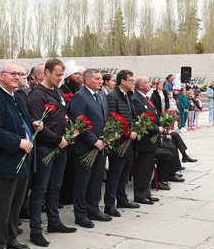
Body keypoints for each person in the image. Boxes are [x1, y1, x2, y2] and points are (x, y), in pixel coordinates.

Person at [0, 63, 39, 249]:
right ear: (1, 76)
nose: (18, 77)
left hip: (22, 158)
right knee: (2, 205)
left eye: (21, 74)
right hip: (4, 160)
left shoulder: (17, 96)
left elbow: (20, 120)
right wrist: (18, 142)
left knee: (16, 204)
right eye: (13, 74)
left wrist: (33, 124)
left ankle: (11, 238)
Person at [26, 58, 77, 247]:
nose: (60, 79)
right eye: (57, 75)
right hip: (46, 147)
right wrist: (57, 139)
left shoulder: (57, 92)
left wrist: (67, 125)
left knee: (56, 187)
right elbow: (36, 124)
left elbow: (59, 115)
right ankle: (36, 229)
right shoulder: (37, 95)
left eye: (62, 75)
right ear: (46, 72)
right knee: (40, 189)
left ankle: (54, 222)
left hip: (60, 146)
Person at [68, 69, 111, 227]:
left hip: (101, 145)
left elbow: (105, 118)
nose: (101, 81)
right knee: (82, 182)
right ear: (87, 81)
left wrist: (107, 137)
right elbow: (79, 121)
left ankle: (93, 209)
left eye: (101, 79)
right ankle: (81, 214)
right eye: (97, 79)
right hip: (86, 147)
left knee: (96, 180)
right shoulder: (80, 97)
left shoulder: (101, 95)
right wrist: (94, 141)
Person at [103, 69, 140, 218]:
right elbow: (112, 119)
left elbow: (130, 115)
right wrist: (126, 133)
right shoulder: (113, 96)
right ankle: (109, 204)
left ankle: (122, 199)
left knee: (124, 173)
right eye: (131, 80)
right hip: (119, 142)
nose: (133, 83)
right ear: (122, 81)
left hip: (129, 142)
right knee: (115, 174)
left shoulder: (127, 95)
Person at [131, 77, 164, 204]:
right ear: (140, 86)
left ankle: (146, 192)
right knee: (142, 168)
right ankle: (140, 195)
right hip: (144, 140)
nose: (150, 84)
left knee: (149, 168)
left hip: (152, 140)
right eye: (147, 83)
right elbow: (141, 120)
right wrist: (157, 128)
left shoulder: (146, 98)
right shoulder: (136, 99)